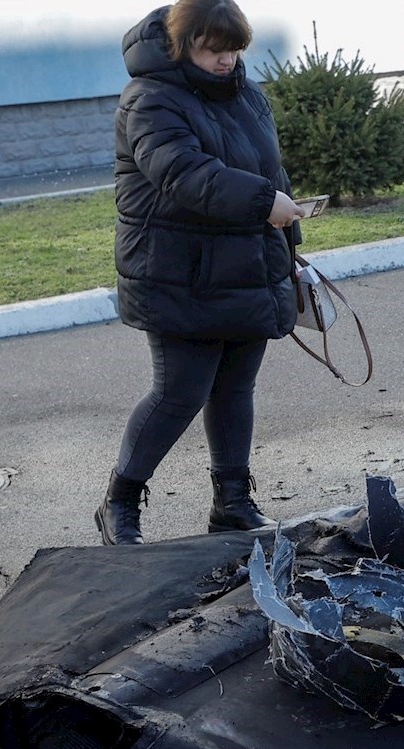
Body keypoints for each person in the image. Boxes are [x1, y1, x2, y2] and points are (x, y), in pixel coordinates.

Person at [98, 0, 308, 544]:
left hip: (246, 267)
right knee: (179, 394)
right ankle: (118, 504)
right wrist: (266, 202)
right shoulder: (148, 100)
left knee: (236, 389)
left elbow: (270, 170)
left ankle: (232, 503)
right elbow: (186, 175)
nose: (226, 59)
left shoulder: (247, 94)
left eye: (235, 47)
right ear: (181, 43)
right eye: (213, 48)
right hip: (178, 274)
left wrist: (290, 245)